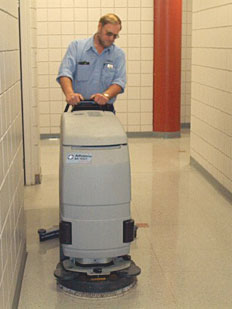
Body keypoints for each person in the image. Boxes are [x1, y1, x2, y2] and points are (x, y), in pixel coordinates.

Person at [57, 13, 126, 112]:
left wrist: (105, 96)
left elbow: (120, 81)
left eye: (115, 36)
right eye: (109, 34)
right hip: (79, 109)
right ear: (99, 27)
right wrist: (70, 94)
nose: (111, 39)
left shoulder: (118, 54)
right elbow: (65, 73)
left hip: (106, 110)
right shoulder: (76, 47)